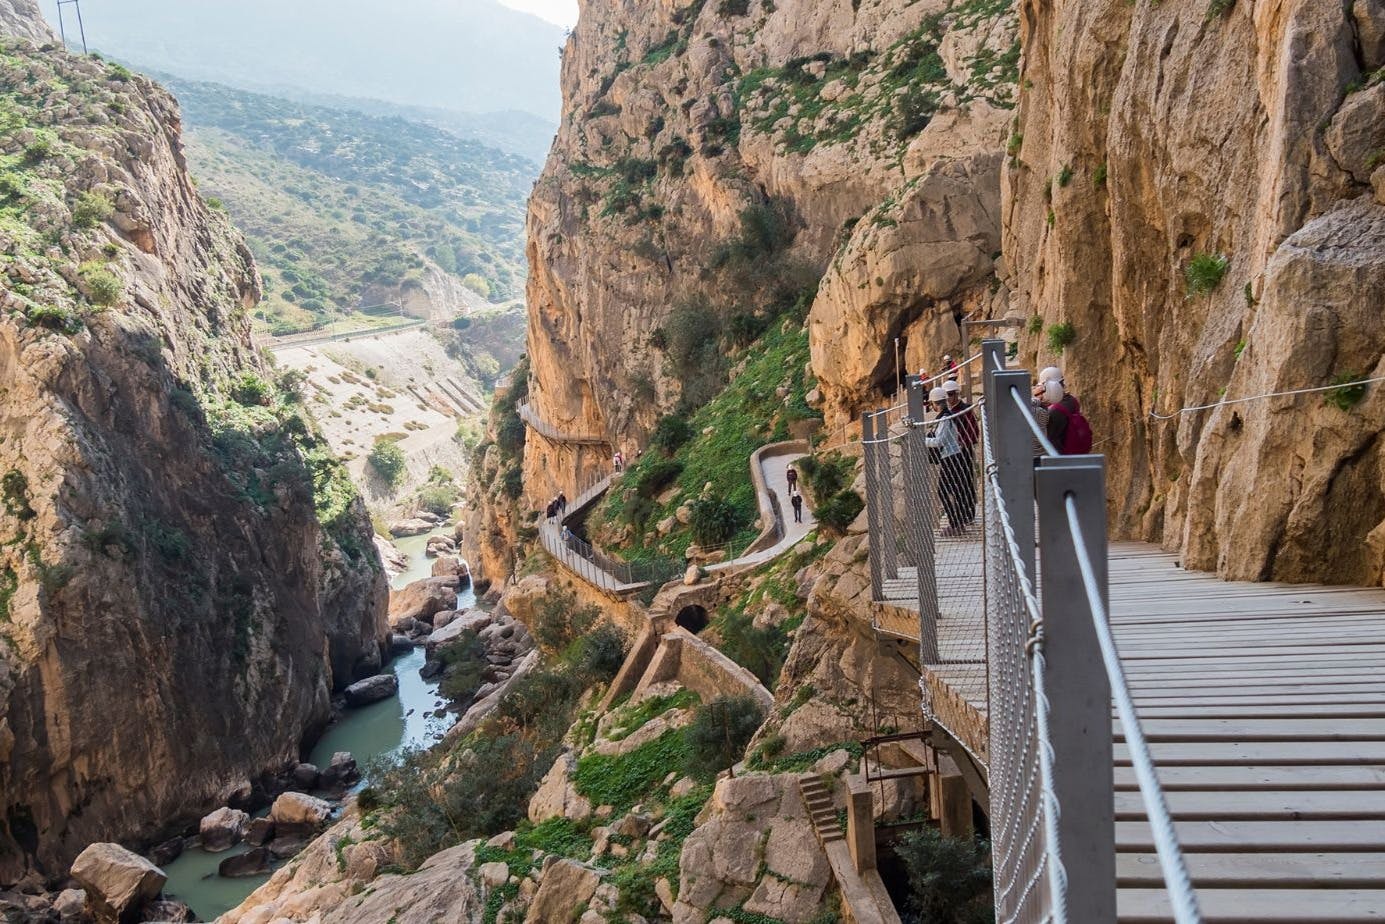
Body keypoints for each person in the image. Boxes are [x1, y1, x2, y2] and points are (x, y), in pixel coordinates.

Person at [925, 387, 973, 535]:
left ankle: (955, 524)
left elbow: (940, 441)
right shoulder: (946, 416)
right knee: (955, 490)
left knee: (943, 491)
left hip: (951, 458)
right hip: (953, 457)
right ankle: (958, 523)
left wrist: (923, 440)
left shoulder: (945, 418)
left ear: (934, 403)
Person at [942, 380, 978, 515]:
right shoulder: (948, 412)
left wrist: (961, 443)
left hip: (963, 452)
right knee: (954, 484)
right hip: (951, 453)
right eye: (946, 395)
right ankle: (960, 514)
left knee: (965, 482)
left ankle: (967, 513)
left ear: (957, 394)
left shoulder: (965, 410)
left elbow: (974, 432)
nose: (949, 398)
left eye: (950, 394)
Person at [1042, 377, 1092, 454]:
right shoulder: (1071, 400)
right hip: (1073, 448)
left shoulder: (1054, 412)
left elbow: (1051, 439)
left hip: (1062, 454)